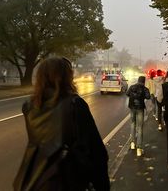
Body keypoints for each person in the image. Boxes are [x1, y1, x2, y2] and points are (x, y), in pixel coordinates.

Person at [13, 56, 110, 191]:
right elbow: (97, 153)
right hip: (66, 180)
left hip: (35, 179)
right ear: (66, 77)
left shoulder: (29, 107)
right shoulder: (75, 105)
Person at [126, 76, 150, 157]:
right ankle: (139, 149)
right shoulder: (145, 88)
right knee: (140, 128)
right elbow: (148, 96)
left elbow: (127, 94)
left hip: (132, 108)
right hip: (140, 108)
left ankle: (132, 143)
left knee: (133, 124)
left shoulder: (132, 87)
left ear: (138, 80)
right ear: (144, 81)